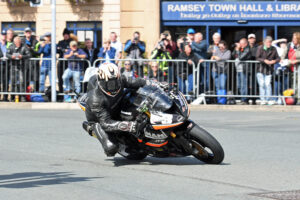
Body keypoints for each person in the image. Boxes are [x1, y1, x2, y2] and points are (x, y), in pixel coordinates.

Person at [82, 63, 157, 156]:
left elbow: (137, 82)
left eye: (115, 82)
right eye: (109, 84)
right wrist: (128, 126)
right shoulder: (95, 99)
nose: (113, 86)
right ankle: (92, 129)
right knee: (111, 148)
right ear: (101, 81)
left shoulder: (120, 79)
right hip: (100, 120)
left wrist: (153, 83)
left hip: (117, 107)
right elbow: (105, 123)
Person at [256, 36, 280, 105]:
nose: (269, 43)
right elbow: (257, 57)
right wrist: (264, 60)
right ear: (264, 42)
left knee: (268, 84)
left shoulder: (273, 49)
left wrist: (274, 61)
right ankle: (263, 99)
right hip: (260, 69)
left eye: (270, 42)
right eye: (267, 42)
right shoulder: (260, 48)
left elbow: (278, 58)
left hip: (269, 70)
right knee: (262, 84)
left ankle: (268, 99)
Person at [6, 36, 31, 102]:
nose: (18, 44)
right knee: (13, 82)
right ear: (14, 42)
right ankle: (12, 97)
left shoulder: (24, 46)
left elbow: (29, 55)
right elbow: (7, 54)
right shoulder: (11, 46)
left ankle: (22, 96)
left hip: (21, 67)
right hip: (13, 66)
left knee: (22, 82)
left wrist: (22, 56)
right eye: (16, 42)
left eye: (19, 42)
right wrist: (11, 56)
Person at [232, 38, 252, 104]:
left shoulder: (247, 49)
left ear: (245, 44)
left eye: (241, 43)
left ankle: (244, 99)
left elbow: (241, 57)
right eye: (239, 43)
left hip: (244, 69)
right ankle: (242, 97)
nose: (240, 44)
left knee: (244, 85)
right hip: (238, 70)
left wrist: (238, 50)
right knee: (239, 85)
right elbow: (232, 55)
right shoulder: (240, 49)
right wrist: (236, 49)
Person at [272, 38, 289, 104]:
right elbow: (273, 43)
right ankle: (276, 98)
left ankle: (284, 99)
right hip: (278, 69)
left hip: (285, 69)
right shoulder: (278, 49)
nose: (283, 44)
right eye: (282, 43)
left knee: (285, 85)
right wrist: (281, 39)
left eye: (284, 43)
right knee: (277, 84)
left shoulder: (287, 49)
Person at [57, 28, 73, 94]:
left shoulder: (72, 42)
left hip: (69, 63)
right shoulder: (60, 42)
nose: (66, 36)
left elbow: (73, 49)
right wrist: (63, 50)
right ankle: (61, 93)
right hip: (61, 63)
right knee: (60, 78)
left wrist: (64, 50)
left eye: (67, 35)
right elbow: (57, 50)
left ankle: (70, 94)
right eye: (64, 35)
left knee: (70, 79)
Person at [247, 33, 259, 104]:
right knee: (247, 83)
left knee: (254, 83)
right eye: (250, 38)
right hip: (247, 68)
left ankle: (254, 99)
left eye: (253, 38)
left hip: (255, 68)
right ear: (248, 39)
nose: (251, 40)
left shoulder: (257, 47)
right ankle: (247, 98)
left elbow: (256, 56)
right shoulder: (246, 47)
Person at [0, 30, 8, 101]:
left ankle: (5, 97)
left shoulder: (8, 44)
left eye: (5, 35)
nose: (4, 36)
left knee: (5, 81)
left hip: (6, 65)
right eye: (2, 35)